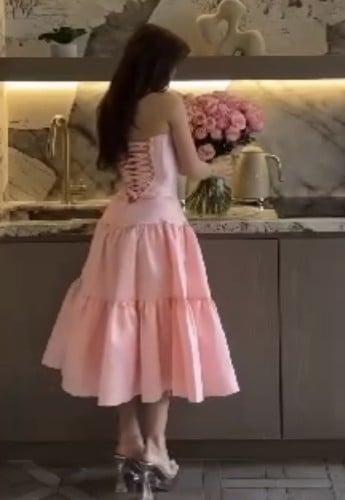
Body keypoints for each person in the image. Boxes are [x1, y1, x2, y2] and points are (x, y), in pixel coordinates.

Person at [42, 23, 239, 499]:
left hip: (117, 228)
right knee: (162, 332)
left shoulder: (112, 104)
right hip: (160, 229)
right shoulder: (167, 103)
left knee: (123, 333)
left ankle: (128, 439)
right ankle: (155, 447)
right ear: (160, 65)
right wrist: (221, 164)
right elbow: (190, 168)